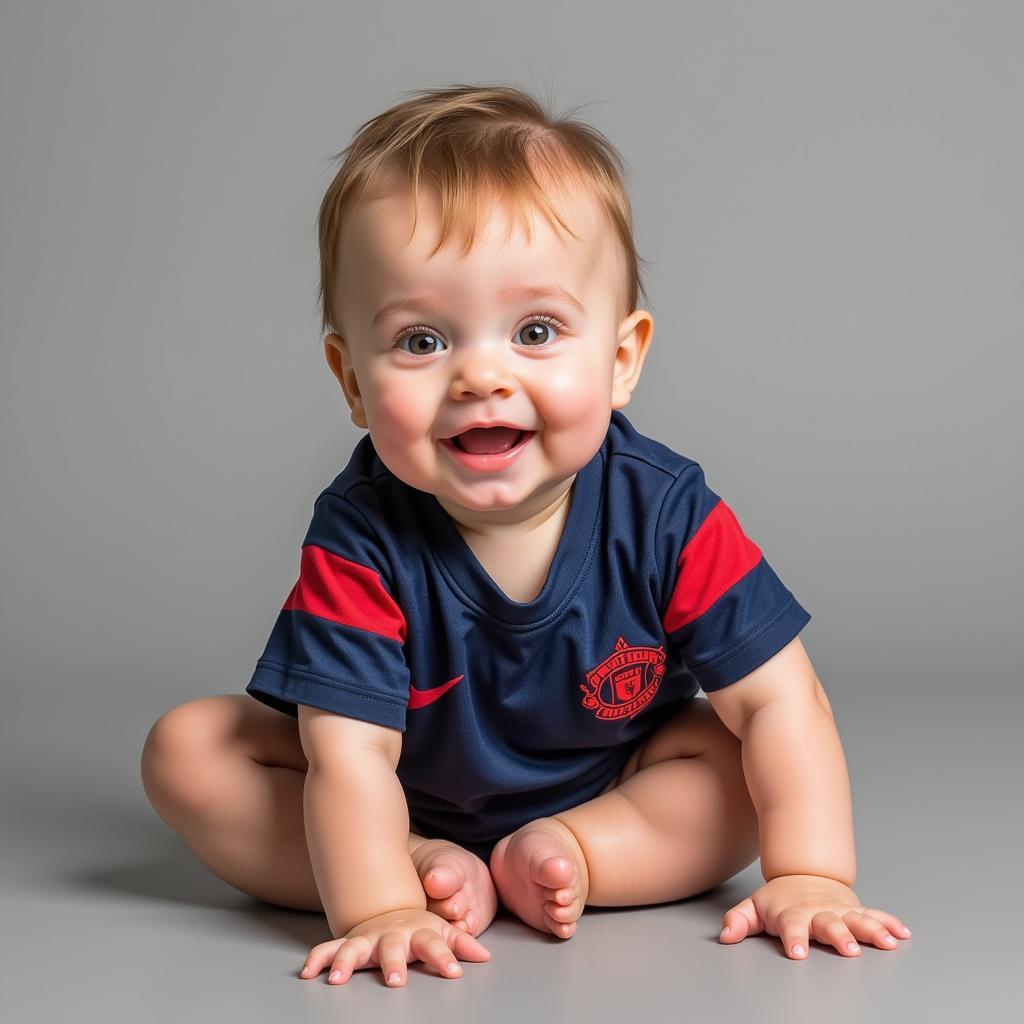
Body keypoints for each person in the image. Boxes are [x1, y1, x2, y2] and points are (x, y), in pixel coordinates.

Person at [140, 83, 911, 989]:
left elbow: (785, 700)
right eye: (422, 340)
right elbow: (347, 757)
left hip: (613, 780)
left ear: (621, 360)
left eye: (535, 330)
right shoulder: (361, 535)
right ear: (351, 380)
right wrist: (378, 904)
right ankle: (420, 865)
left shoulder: (664, 509)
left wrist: (812, 874)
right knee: (188, 753)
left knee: (736, 760)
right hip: (390, 798)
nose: (480, 375)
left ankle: (578, 852)